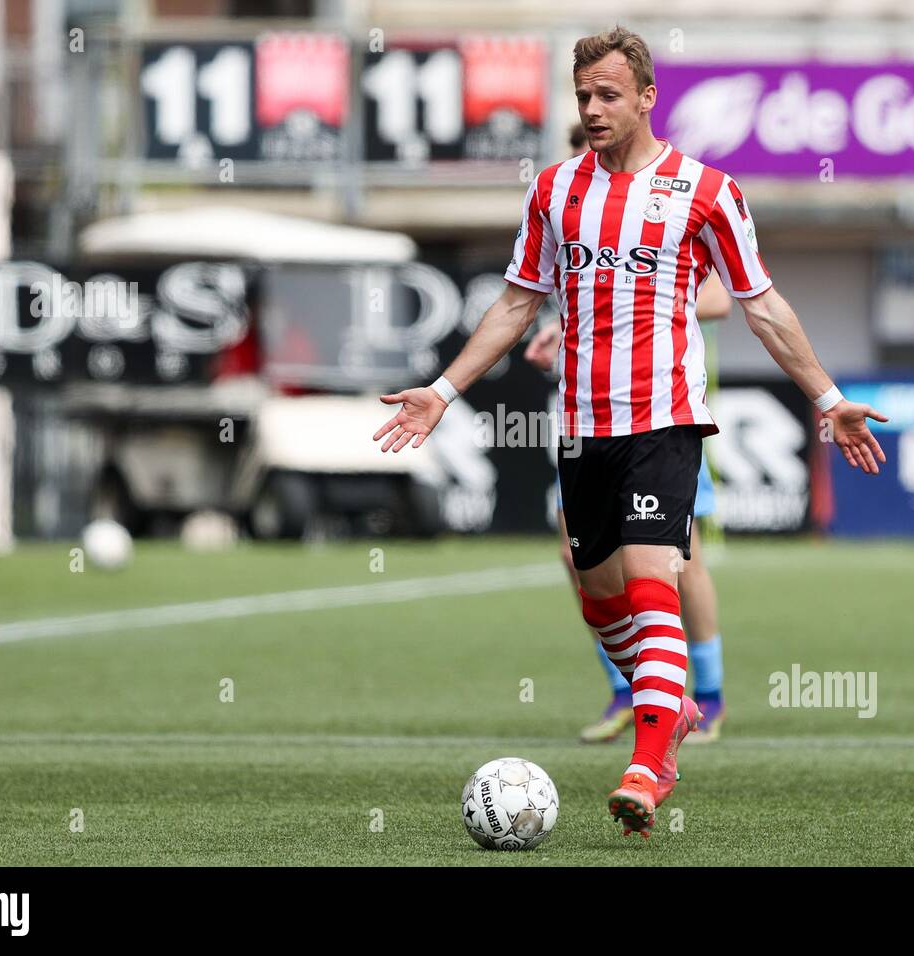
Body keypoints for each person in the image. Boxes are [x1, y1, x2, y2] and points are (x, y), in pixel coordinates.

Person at [372, 26, 887, 839]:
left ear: (648, 97)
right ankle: (670, 702)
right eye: (582, 96)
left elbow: (761, 305)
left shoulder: (707, 191)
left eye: (609, 94)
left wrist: (828, 397)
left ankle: (650, 766)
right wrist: (442, 390)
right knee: (596, 591)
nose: (593, 108)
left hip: (665, 421)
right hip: (582, 425)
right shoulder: (554, 192)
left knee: (656, 579)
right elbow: (515, 303)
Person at [524, 121, 733, 745]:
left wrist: (641, 303)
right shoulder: (566, 210)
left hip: (660, 414)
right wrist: (554, 338)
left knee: (673, 560)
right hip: (586, 417)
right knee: (576, 556)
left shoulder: (666, 205)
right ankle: (628, 687)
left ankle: (710, 696)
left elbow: (723, 296)